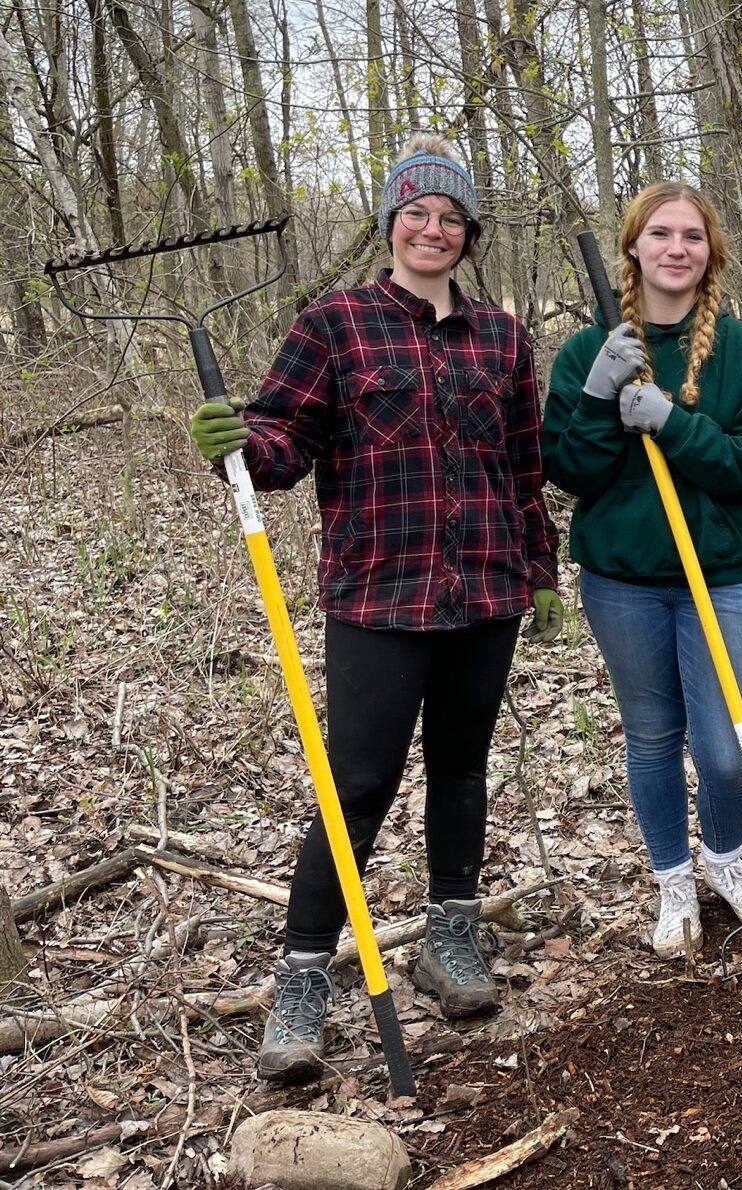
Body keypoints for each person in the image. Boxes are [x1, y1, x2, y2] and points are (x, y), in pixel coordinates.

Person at [187, 135, 563, 1082]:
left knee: (463, 768)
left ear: (469, 234)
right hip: (377, 595)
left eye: (449, 217)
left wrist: (541, 571)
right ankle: (304, 977)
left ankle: (451, 938)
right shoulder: (336, 325)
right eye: (415, 212)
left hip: (486, 586)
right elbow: (283, 439)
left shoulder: (505, 341)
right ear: (391, 222)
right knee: (356, 784)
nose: (431, 228)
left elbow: (524, 467)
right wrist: (238, 443)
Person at [542, 183, 742, 959]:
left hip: (721, 575)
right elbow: (569, 471)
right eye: (661, 234)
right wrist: (594, 396)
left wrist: (672, 422)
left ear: (709, 252)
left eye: (691, 236)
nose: (676, 248)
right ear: (635, 247)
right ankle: (673, 876)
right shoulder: (591, 349)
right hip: (622, 581)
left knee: (724, 746)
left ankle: (723, 854)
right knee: (653, 736)